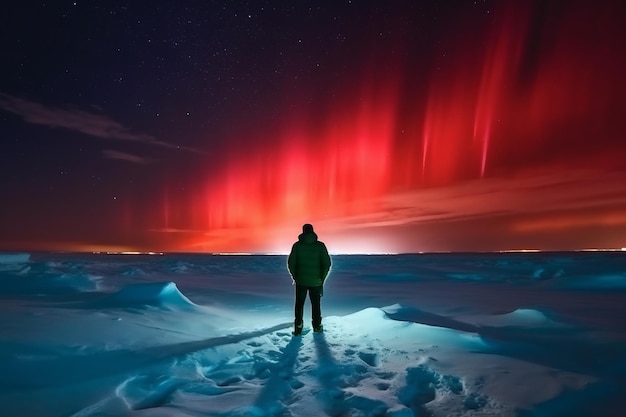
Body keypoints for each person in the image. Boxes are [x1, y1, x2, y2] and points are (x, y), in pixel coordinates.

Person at [287, 223, 331, 335]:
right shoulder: (320, 246)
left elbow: (291, 263)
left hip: (301, 281)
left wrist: (295, 276)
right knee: (316, 304)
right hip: (316, 282)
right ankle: (316, 326)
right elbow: (326, 264)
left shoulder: (297, 245)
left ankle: (298, 327)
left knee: (299, 304)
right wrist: (322, 278)